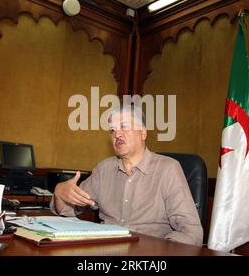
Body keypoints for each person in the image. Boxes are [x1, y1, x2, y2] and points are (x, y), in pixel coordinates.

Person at [50, 105, 203, 246]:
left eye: (124, 126)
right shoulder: (104, 169)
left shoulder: (168, 169)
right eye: (112, 130)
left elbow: (191, 232)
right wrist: (59, 193)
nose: (117, 134)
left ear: (142, 133)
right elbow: (68, 209)